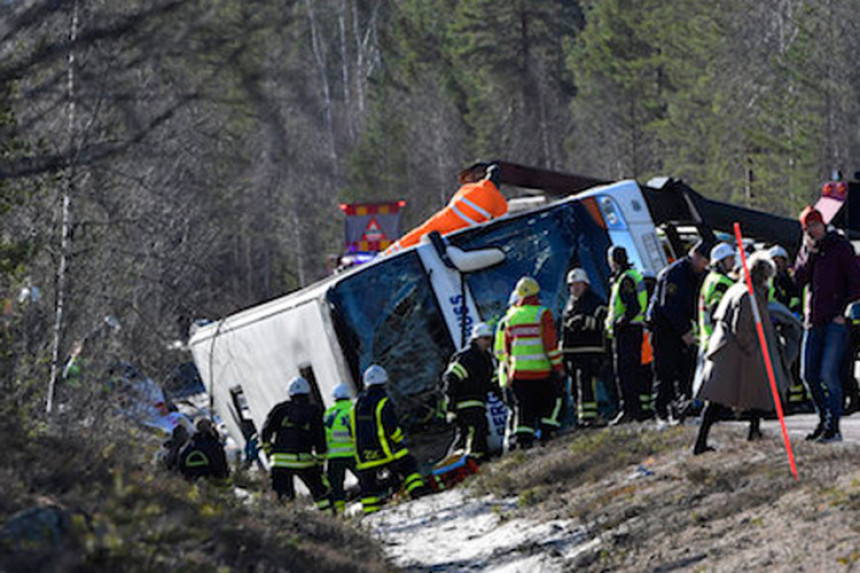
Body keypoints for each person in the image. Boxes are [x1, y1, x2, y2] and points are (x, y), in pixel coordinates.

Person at [694, 252, 788, 454]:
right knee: (727, 398)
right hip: (737, 353)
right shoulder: (748, 295)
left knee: (744, 395)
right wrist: (753, 349)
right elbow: (741, 327)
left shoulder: (738, 289)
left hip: (728, 352)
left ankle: (750, 432)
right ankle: (701, 443)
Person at [794, 206, 860, 443]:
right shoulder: (807, 249)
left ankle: (834, 427)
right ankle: (824, 419)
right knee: (808, 374)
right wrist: (809, 254)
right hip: (813, 320)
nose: (813, 229)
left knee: (828, 374)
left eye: (815, 224)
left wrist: (843, 310)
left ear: (823, 223)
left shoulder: (841, 247)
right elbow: (799, 280)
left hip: (835, 320)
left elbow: (856, 282)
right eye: (808, 226)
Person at [648, 240, 710, 423]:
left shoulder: (699, 275)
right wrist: (685, 332)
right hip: (664, 328)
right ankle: (661, 412)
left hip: (683, 328)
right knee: (665, 370)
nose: (704, 267)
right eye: (704, 262)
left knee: (685, 370)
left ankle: (681, 409)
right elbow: (670, 305)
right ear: (695, 256)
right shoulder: (674, 274)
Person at [352, 365, 428, 515]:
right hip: (385, 451)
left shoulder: (356, 405)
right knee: (408, 463)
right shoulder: (383, 401)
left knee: (368, 483)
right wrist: (400, 439)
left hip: (364, 455)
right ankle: (418, 492)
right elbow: (391, 428)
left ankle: (371, 511)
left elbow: (353, 429)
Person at [384, 163, 507, 255]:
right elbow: (503, 223)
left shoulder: (468, 192)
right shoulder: (494, 199)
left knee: (417, 236)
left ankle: (386, 255)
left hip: (441, 232)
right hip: (459, 247)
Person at [502, 276, 565, 448]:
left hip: (519, 374)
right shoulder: (542, 313)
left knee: (524, 409)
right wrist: (558, 367)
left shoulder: (510, 317)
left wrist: (509, 373)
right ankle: (547, 436)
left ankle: (524, 444)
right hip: (541, 371)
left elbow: (507, 350)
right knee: (549, 403)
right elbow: (550, 345)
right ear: (537, 293)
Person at [261, 376, 333, 512]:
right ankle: (330, 518)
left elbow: (265, 432)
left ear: (290, 393)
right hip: (304, 461)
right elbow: (320, 437)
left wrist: (269, 452)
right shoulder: (314, 411)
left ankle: (290, 527)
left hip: (280, 462)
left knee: (284, 499)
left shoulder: (280, 409)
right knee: (320, 492)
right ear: (308, 392)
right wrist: (320, 459)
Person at [604, 246, 650, 423]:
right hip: (632, 330)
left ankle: (629, 410)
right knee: (631, 370)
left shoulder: (625, 279)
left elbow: (633, 307)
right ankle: (635, 409)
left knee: (625, 372)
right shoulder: (628, 277)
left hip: (628, 331)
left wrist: (619, 322)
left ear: (613, 260)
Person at [443, 322, 497, 461]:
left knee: (473, 434)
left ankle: (463, 462)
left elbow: (492, 382)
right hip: (464, 403)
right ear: (476, 339)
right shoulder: (466, 357)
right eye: (485, 338)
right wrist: (451, 407)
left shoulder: (486, 359)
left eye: (490, 339)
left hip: (479, 403)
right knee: (474, 432)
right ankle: (469, 462)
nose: (488, 342)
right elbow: (451, 380)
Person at [562, 268, 609, 427]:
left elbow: (605, 324)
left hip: (591, 351)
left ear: (586, 285)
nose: (574, 288)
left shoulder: (596, 302)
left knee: (588, 385)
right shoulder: (569, 304)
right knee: (577, 388)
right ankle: (582, 418)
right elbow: (564, 329)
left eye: (578, 285)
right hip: (573, 354)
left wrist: (585, 322)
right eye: (572, 285)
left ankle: (591, 417)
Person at [768, 244, 809, 412]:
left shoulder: (792, 281)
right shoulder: (766, 281)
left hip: (790, 328)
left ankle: (797, 400)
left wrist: (794, 315)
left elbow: (796, 300)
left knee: (794, 364)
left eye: (781, 261)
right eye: (774, 261)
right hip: (772, 328)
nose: (778, 265)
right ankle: (779, 400)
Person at [324, 383, 357, 514]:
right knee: (366, 479)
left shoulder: (330, 413)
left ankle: (340, 512)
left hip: (334, 456)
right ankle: (372, 504)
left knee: (336, 487)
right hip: (353, 453)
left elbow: (324, 434)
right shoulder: (354, 408)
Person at [698, 242, 736, 350]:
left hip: (710, 340)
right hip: (718, 343)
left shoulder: (711, 278)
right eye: (730, 259)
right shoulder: (720, 284)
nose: (733, 262)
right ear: (720, 262)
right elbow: (717, 315)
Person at [179, 418, 230, 483]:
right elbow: (221, 464)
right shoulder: (215, 445)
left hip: (191, 478)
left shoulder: (190, 444)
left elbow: (181, 460)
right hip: (210, 478)